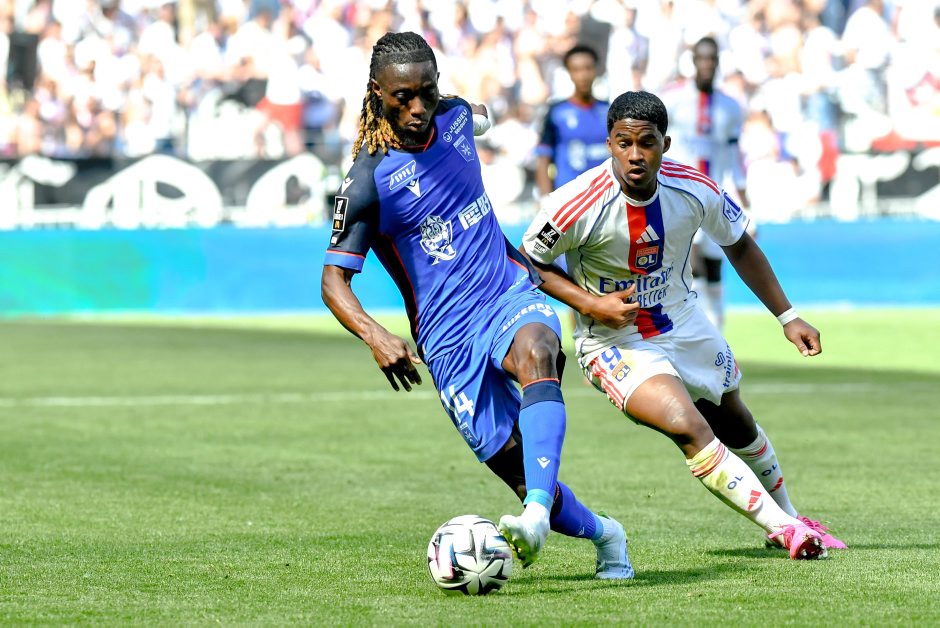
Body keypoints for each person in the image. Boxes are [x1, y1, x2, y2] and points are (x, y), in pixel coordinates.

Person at [320, 31, 632, 579]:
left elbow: (476, 116)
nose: (418, 109)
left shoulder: (456, 116)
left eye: (427, 92)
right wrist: (376, 335)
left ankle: (533, 517)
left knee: (538, 351)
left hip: (505, 293)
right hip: (446, 341)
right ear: (377, 93)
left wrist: (486, 118)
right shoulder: (367, 181)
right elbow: (333, 281)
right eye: (402, 98)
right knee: (521, 471)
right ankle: (606, 533)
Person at [520, 91, 846, 560]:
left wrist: (788, 317)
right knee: (688, 426)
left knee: (735, 420)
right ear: (610, 144)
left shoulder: (693, 188)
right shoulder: (576, 202)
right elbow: (530, 259)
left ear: (665, 144)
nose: (635, 155)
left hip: (684, 321)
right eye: (624, 143)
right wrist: (591, 303)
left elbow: (739, 244)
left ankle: (792, 516)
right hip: (614, 341)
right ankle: (786, 530)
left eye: (647, 143)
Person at [660, 37, 748, 331]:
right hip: (681, 195)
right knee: (690, 262)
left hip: (715, 196)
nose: (707, 64)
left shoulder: (730, 107)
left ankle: (717, 331)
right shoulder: (673, 100)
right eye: (702, 58)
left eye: (712, 59)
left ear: (718, 62)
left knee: (713, 265)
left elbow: (734, 157)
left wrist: (745, 199)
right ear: (694, 61)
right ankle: (694, 329)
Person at [535, 44, 609, 198]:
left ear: (596, 70)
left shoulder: (610, 110)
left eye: (588, 68)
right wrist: (545, 198)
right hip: (569, 198)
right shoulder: (556, 111)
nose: (583, 75)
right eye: (576, 69)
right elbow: (543, 158)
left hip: (606, 196)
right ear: (569, 72)